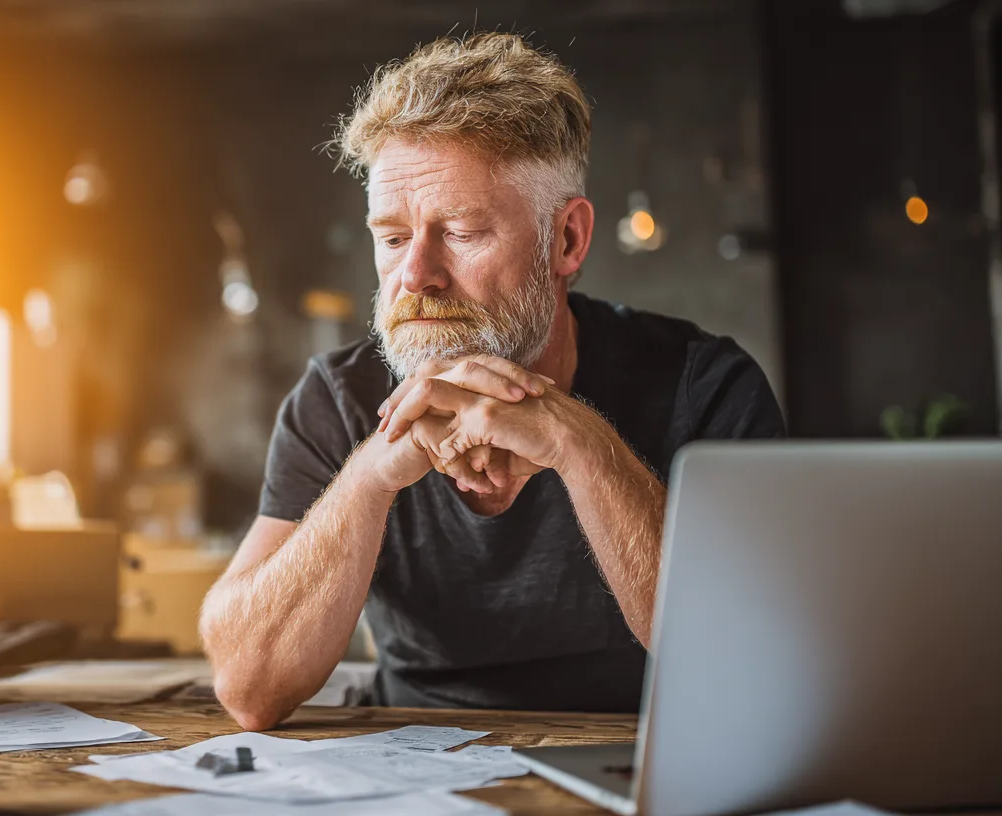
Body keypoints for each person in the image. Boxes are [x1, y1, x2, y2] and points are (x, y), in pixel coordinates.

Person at [198, 33, 784, 732]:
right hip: (411, 771)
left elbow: (745, 662)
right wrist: (370, 475)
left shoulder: (705, 386)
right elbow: (247, 688)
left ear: (566, 241)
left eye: (463, 232)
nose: (415, 275)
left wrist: (581, 446)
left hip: (649, 761)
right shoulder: (338, 398)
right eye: (391, 236)